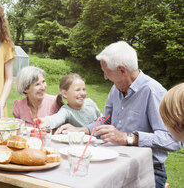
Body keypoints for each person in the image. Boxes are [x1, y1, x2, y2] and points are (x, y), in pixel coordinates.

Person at [57, 41, 182, 188]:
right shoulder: (115, 89)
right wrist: (81, 130)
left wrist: (128, 138)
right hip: (115, 164)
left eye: (106, 72)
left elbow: (173, 140)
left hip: (148, 170)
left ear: (122, 70)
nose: (104, 77)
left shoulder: (153, 92)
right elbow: (106, 121)